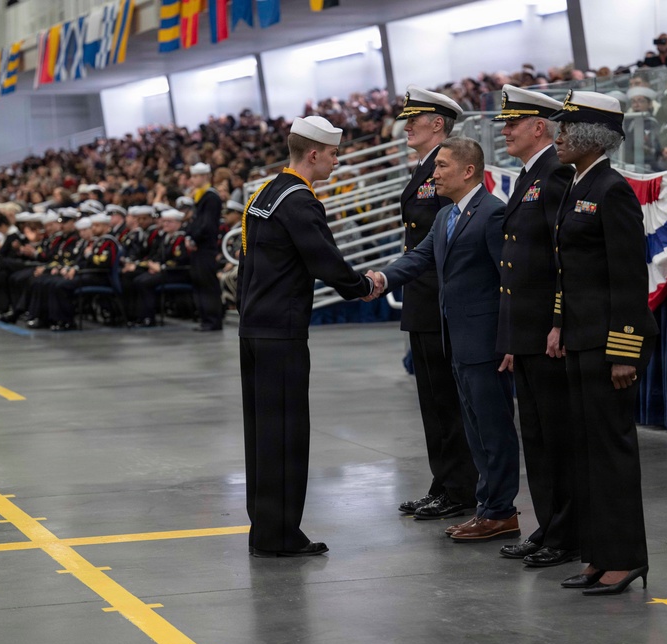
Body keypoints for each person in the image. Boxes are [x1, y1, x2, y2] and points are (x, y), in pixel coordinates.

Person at [238, 116, 375, 558]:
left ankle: (264, 528)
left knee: (261, 435)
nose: (337, 160)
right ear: (314, 153)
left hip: (255, 327)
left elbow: (246, 265)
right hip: (282, 332)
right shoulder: (300, 201)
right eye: (334, 153)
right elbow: (326, 262)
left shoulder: (265, 193)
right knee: (285, 435)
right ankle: (279, 536)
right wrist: (364, 286)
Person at [372, 137, 521, 543]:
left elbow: (509, 282)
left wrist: (508, 338)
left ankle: (502, 511)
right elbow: (419, 258)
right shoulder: (447, 216)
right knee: (474, 429)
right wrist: (382, 278)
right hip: (456, 339)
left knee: (494, 429)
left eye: (442, 166)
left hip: (485, 341)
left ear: (468, 170)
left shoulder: (491, 213)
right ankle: (487, 507)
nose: (433, 174)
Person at [544, 91, 657, 595]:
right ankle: (597, 554)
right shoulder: (576, 186)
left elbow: (628, 278)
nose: (558, 137)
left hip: (608, 346)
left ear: (593, 136)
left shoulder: (612, 190)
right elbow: (572, 273)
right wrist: (561, 327)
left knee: (611, 453)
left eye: (567, 129)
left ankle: (626, 557)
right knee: (585, 452)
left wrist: (623, 352)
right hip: (580, 340)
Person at [491, 86, 577, 565]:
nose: (505, 130)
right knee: (538, 440)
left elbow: (561, 258)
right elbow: (515, 265)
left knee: (556, 438)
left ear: (538, 127)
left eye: (514, 123)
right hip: (525, 332)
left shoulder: (556, 174)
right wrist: (511, 337)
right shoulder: (531, 175)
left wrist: (558, 321)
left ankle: (567, 531)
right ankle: (549, 526)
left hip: (547, 332)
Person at [393, 86, 478, 521]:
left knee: (447, 400)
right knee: (432, 400)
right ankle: (443, 481)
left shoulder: (446, 170)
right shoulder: (426, 168)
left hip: (438, 299)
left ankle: (460, 487)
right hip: (421, 298)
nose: (407, 125)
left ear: (438, 125)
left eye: (416, 119)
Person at [186, 163, 224, 332]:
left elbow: (207, 225)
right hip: (198, 247)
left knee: (208, 285)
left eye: (195, 176)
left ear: (204, 177)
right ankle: (205, 318)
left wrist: (193, 238)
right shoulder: (201, 196)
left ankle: (213, 320)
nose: (192, 180)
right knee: (200, 283)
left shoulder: (211, 197)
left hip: (205, 248)